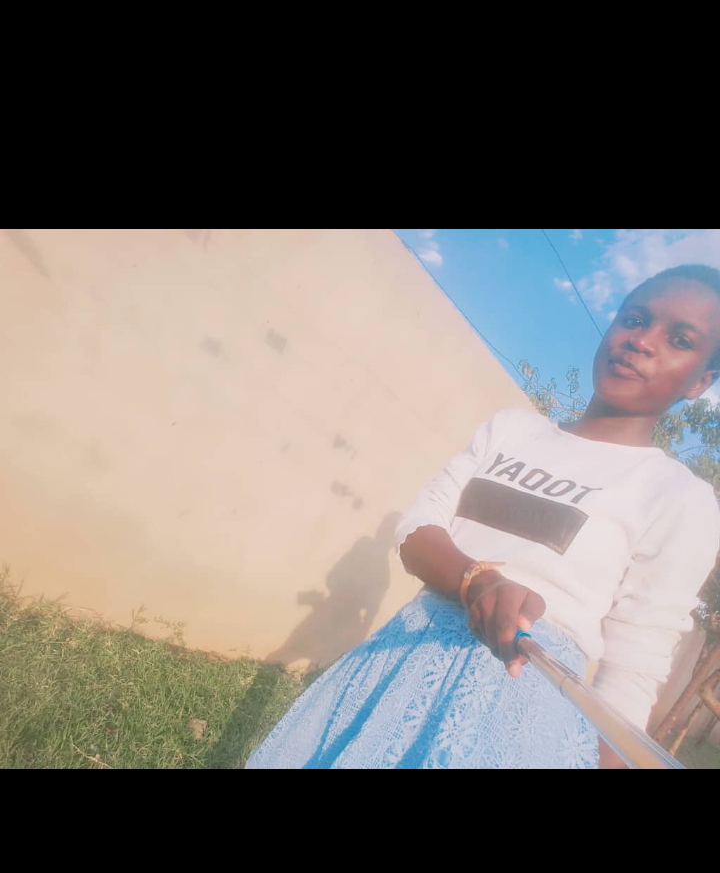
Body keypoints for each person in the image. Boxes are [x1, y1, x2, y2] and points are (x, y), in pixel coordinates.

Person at [245, 264, 720, 769]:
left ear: (700, 382)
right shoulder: (511, 430)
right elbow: (418, 528)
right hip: (399, 658)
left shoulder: (680, 497)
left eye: (679, 339)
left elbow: (636, 660)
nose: (641, 341)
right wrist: (477, 580)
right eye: (634, 319)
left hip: (514, 705)